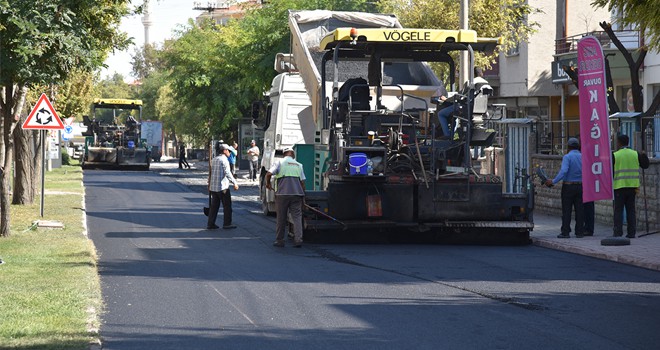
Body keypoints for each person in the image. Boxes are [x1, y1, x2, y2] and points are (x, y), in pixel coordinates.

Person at [265, 147, 306, 248]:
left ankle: (280, 240)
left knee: (281, 218)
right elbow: (302, 182)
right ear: (292, 154)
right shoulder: (299, 165)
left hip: (282, 194)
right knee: (297, 217)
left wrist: (268, 184)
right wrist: (303, 195)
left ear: (284, 154)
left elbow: (269, 173)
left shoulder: (280, 162)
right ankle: (298, 240)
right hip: (296, 194)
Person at [545, 137, 584, 238]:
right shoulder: (583, 157)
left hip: (568, 186)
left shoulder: (567, 157)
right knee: (579, 210)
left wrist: (553, 181)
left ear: (568, 147)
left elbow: (563, 171)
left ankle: (565, 232)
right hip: (581, 186)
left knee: (567, 210)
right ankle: (579, 232)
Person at [435, 68, 491, 138]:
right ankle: (451, 135)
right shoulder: (485, 83)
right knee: (454, 116)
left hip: (465, 108)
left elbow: (460, 96)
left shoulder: (470, 82)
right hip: (479, 110)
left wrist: (446, 99)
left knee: (441, 114)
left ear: (472, 74)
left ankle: (447, 135)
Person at [612, 134, 649, 238]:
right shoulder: (635, 154)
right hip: (632, 187)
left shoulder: (615, 155)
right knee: (631, 210)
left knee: (618, 210)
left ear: (619, 142)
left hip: (619, 187)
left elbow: (610, 171)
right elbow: (645, 165)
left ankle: (618, 232)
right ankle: (631, 233)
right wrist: (644, 155)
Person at [207, 143, 239, 230]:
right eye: (228, 150)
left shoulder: (214, 159)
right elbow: (228, 173)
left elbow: (210, 173)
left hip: (213, 187)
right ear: (224, 151)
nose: (229, 152)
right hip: (223, 187)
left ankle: (210, 223)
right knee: (227, 206)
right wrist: (235, 183)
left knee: (214, 207)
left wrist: (209, 184)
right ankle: (227, 223)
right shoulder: (224, 160)